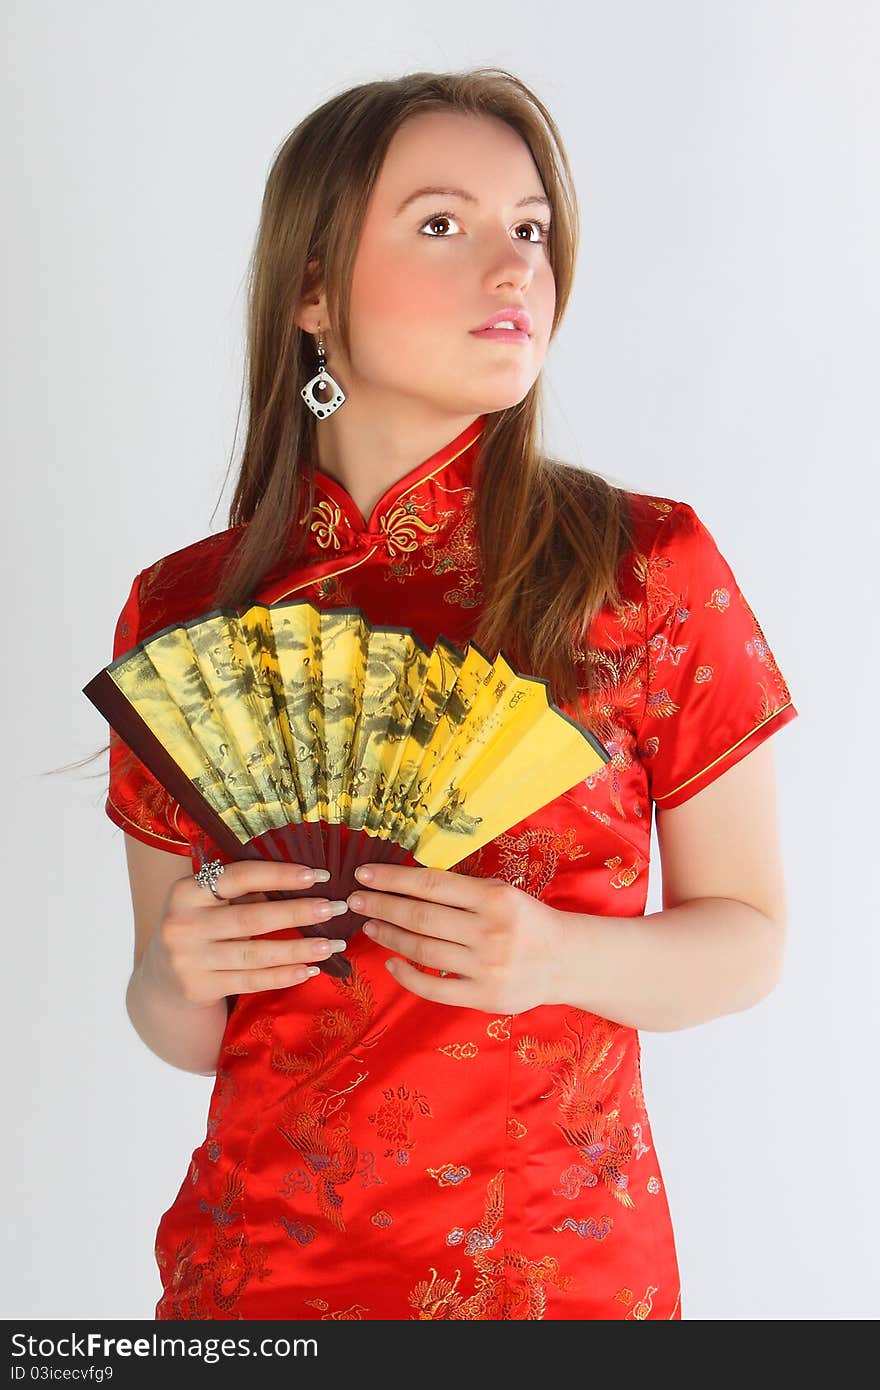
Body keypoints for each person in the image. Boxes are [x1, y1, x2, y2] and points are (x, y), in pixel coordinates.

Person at [101, 69, 798, 1321]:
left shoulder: (642, 567)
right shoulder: (186, 611)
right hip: (256, 1277)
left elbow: (745, 938)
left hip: (550, 1275)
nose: (512, 267)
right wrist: (179, 967)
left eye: (528, 228)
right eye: (442, 224)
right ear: (311, 290)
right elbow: (187, 1029)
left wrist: (552, 954)